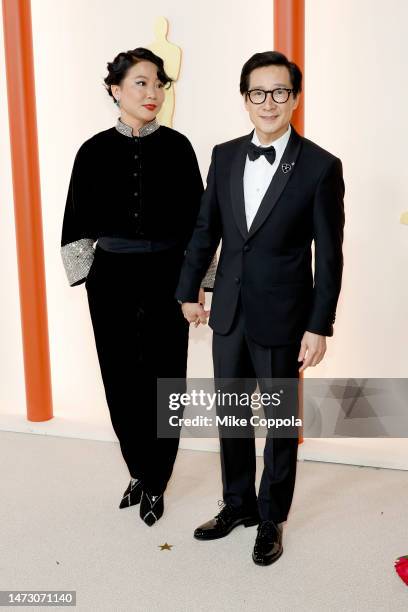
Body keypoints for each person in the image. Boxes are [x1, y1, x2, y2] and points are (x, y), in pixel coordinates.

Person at [175, 51, 345, 564]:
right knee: (230, 414)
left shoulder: (320, 166)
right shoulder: (224, 155)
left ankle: (271, 517)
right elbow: (208, 229)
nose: (267, 102)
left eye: (278, 92)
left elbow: (330, 255)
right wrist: (190, 288)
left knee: (278, 421)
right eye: (257, 92)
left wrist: (319, 325)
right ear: (244, 98)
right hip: (228, 310)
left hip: (286, 317)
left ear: (293, 97)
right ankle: (237, 504)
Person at [61, 47, 216, 526]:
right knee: (120, 377)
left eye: (159, 84)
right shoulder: (91, 151)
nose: (153, 94)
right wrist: (86, 277)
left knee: (166, 378)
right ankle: (137, 469)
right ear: (116, 89)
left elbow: (202, 225)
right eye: (141, 83)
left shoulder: (178, 147)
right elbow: (74, 222)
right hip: (110, 279)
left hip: (170, 276)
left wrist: (197, 286)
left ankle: (158, 479)